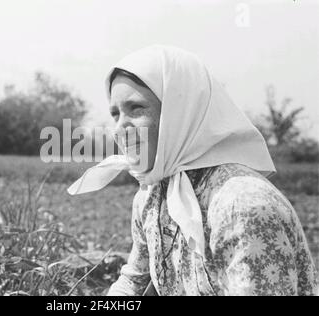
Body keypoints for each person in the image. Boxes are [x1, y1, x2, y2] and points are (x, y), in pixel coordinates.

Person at [67, 45, 318, 296]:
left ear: (180, 114)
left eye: (137, 108)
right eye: (115, 114)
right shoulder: (151, 196)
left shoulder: (242, 205)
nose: (120, 128)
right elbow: (134, 281)